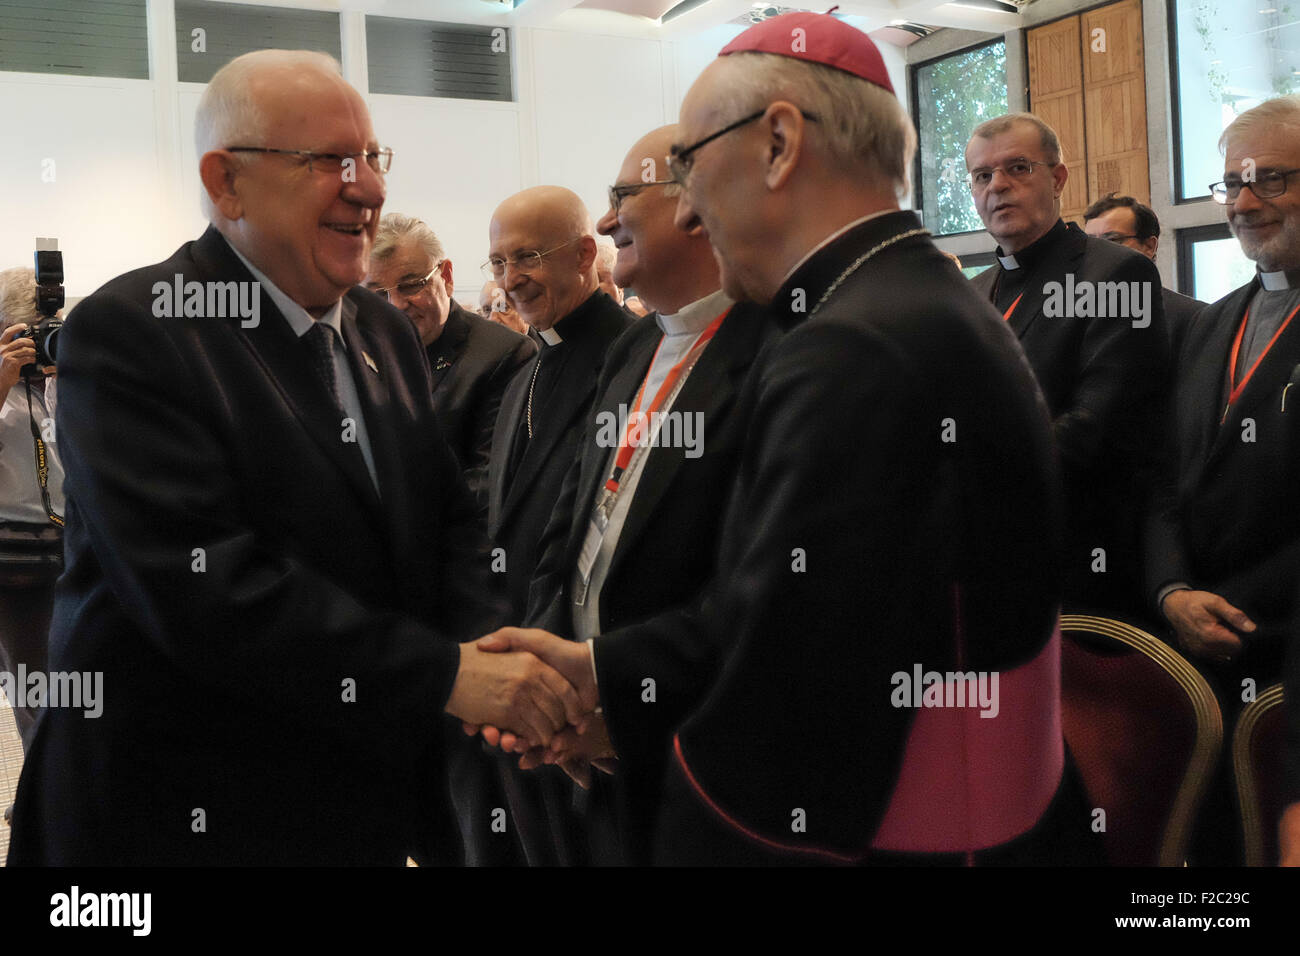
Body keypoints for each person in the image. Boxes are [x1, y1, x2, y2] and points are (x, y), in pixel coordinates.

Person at [488, 14, 1087, 865]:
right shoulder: (907, 300)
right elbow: (770, 603)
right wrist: (606, 671)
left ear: (777, 143)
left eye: (689, 164)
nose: (686, 202)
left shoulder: (849, 344)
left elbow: (791, 691)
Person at [5, 50, 586, 867]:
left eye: (374, 159)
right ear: (226, 181)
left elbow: (444, 523)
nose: (370, 190)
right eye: (329, 163)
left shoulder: (380, 330)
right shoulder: (135, 332)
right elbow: (206, 588)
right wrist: (448, 676)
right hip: (176, 812)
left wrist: (500, 661)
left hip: (350, 799)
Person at [474, 124, 780, 866]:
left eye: (621, 198)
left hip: (699, 742)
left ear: (699, 206)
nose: (608, 221)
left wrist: (628, 697)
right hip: (595, 730)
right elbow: (574, 528)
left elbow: (761, 588)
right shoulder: (636, 347)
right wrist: (557, 689)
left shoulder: (781, 350)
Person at [1146, 95, 1300, 864]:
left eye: (1269, 179)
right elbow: (1167, 478)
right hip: (1192, 652)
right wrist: (1172, 588)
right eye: (1230, 184)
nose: (1242, 203)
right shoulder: (1214, 321)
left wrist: (1237, 607)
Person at [966, 114, 1169, 623]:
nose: (999, 186)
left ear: (1058, 179)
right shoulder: (971, 292)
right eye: (982, 176)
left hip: (1079, 572)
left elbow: (1097, 428)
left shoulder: (1117, 272)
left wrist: (966, 478)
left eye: (1018, 168)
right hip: (984, 567)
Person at [484, 186, 630, 621]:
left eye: (528, 257)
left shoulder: (635, 358)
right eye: (498, 263)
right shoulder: (522, 377)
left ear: (584, 254)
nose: (510, 280)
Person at [366, 214, 534, 516]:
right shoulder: (357, 353)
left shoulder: (504, 354)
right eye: (377, 294)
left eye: (410, 286)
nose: (395, 306)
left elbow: (487, 486)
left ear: (446, 276)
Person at [0, 267, 64, 758]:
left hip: (71, 547)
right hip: (13, 566)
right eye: (30, 333)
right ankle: (40, 799)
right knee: (34, 692)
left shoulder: (62, 379)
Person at [1082, 192, 1205, 355]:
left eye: (1112, 240)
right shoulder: (1073, 315)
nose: (1098, 251)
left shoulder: (1192, 318)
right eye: (1091, 243)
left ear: (1149, 246)